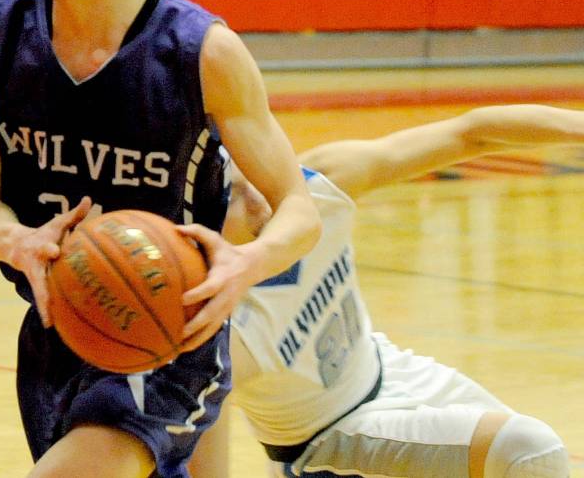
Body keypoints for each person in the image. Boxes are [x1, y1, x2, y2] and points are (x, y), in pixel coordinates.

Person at [0, 0, 321, 477]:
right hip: (60, 327)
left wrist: (248, 262)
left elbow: (299, 208)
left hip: (169, 340)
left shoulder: (202, 51)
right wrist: (16, 239)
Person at [189, 103, 578, 477]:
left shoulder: (313, 185)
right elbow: (192, 444)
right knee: (529, 452)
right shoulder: (217, 323)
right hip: (327, 445)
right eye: (234, 194)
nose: (259, 194)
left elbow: (471, 132)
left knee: (520, 458)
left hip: (391, 370)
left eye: (251, 172)